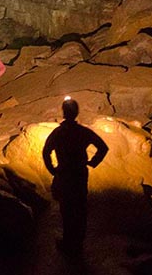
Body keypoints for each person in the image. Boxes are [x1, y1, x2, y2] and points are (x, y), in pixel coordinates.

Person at [41, 97, 108, 256]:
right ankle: (78, 243)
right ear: (76, 113)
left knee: (67, 209)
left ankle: (67, 242)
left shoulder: (58, 133)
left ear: (63, 113)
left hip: (64, 173)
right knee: (80, 207)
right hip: (79, 173)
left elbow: (46, 152)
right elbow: (103, 147)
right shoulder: (83, 132)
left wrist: (53, 170)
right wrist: (93, 162)